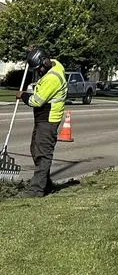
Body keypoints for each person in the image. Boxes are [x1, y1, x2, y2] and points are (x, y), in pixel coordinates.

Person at [16, 46, 67, 197]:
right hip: (42, 118)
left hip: (48, 119)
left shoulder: (51, 78)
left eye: (39, 68)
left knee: (43, 154)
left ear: (45, 62)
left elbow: (36, 101)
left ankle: (36, 190)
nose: (38, 71)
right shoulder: (55, 64)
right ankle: (45, 183)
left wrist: (22, 95)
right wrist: (33, 53)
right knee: (35, 149)